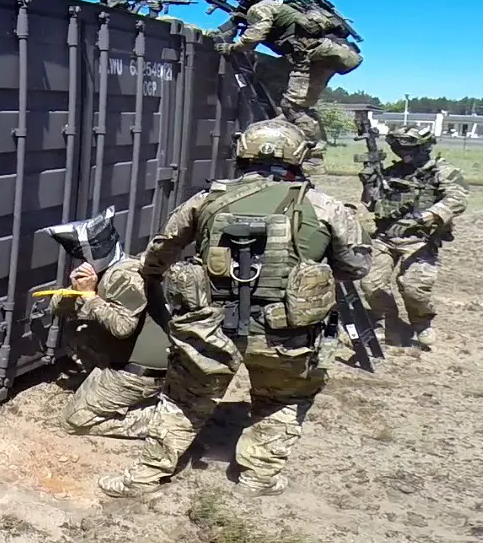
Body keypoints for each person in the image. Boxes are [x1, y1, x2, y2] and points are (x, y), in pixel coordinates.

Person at [98, 118, 370, 499]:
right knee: (282, 400)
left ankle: (142, 478)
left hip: (209, 329)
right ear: (298, 156)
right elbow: (357, 266)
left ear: (243, 153)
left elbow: (161, 250)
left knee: (183, 402)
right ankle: (258, 477)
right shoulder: (323, 206)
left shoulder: (206, 199)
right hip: (287, 334)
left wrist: (152, 274)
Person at [39, 208, 199, 440]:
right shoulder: (106, 271)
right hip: (133, 362)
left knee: (73, 421)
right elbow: (57, 307)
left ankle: (168, 420)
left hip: (143, 371)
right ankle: (106, 388)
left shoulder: (124, 275)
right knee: (79, 330)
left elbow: (123, 328)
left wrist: (90, 297)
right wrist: (76, 289)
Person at [211, 0, 363, 176]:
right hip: (322, 55)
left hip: (311, 57)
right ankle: (296, 147)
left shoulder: (261, 8)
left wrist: (231, 48)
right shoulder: (278, 6)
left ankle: (313, 158)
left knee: (293, 108)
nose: (242, 2)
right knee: (292, 105)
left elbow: (254, 37)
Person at [358, 124, 469, 348]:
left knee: (414, 288)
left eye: (409, 148)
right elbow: (371, 204)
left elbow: (458, 198)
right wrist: (369, 182)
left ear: (424, 147)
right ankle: (387, 322)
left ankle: (421, 323)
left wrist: (428, 216)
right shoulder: (392, 172)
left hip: (420, 240)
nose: (403, 152)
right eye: (398, 148)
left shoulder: (441, 171)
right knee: (370, 283)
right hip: (385, 237)